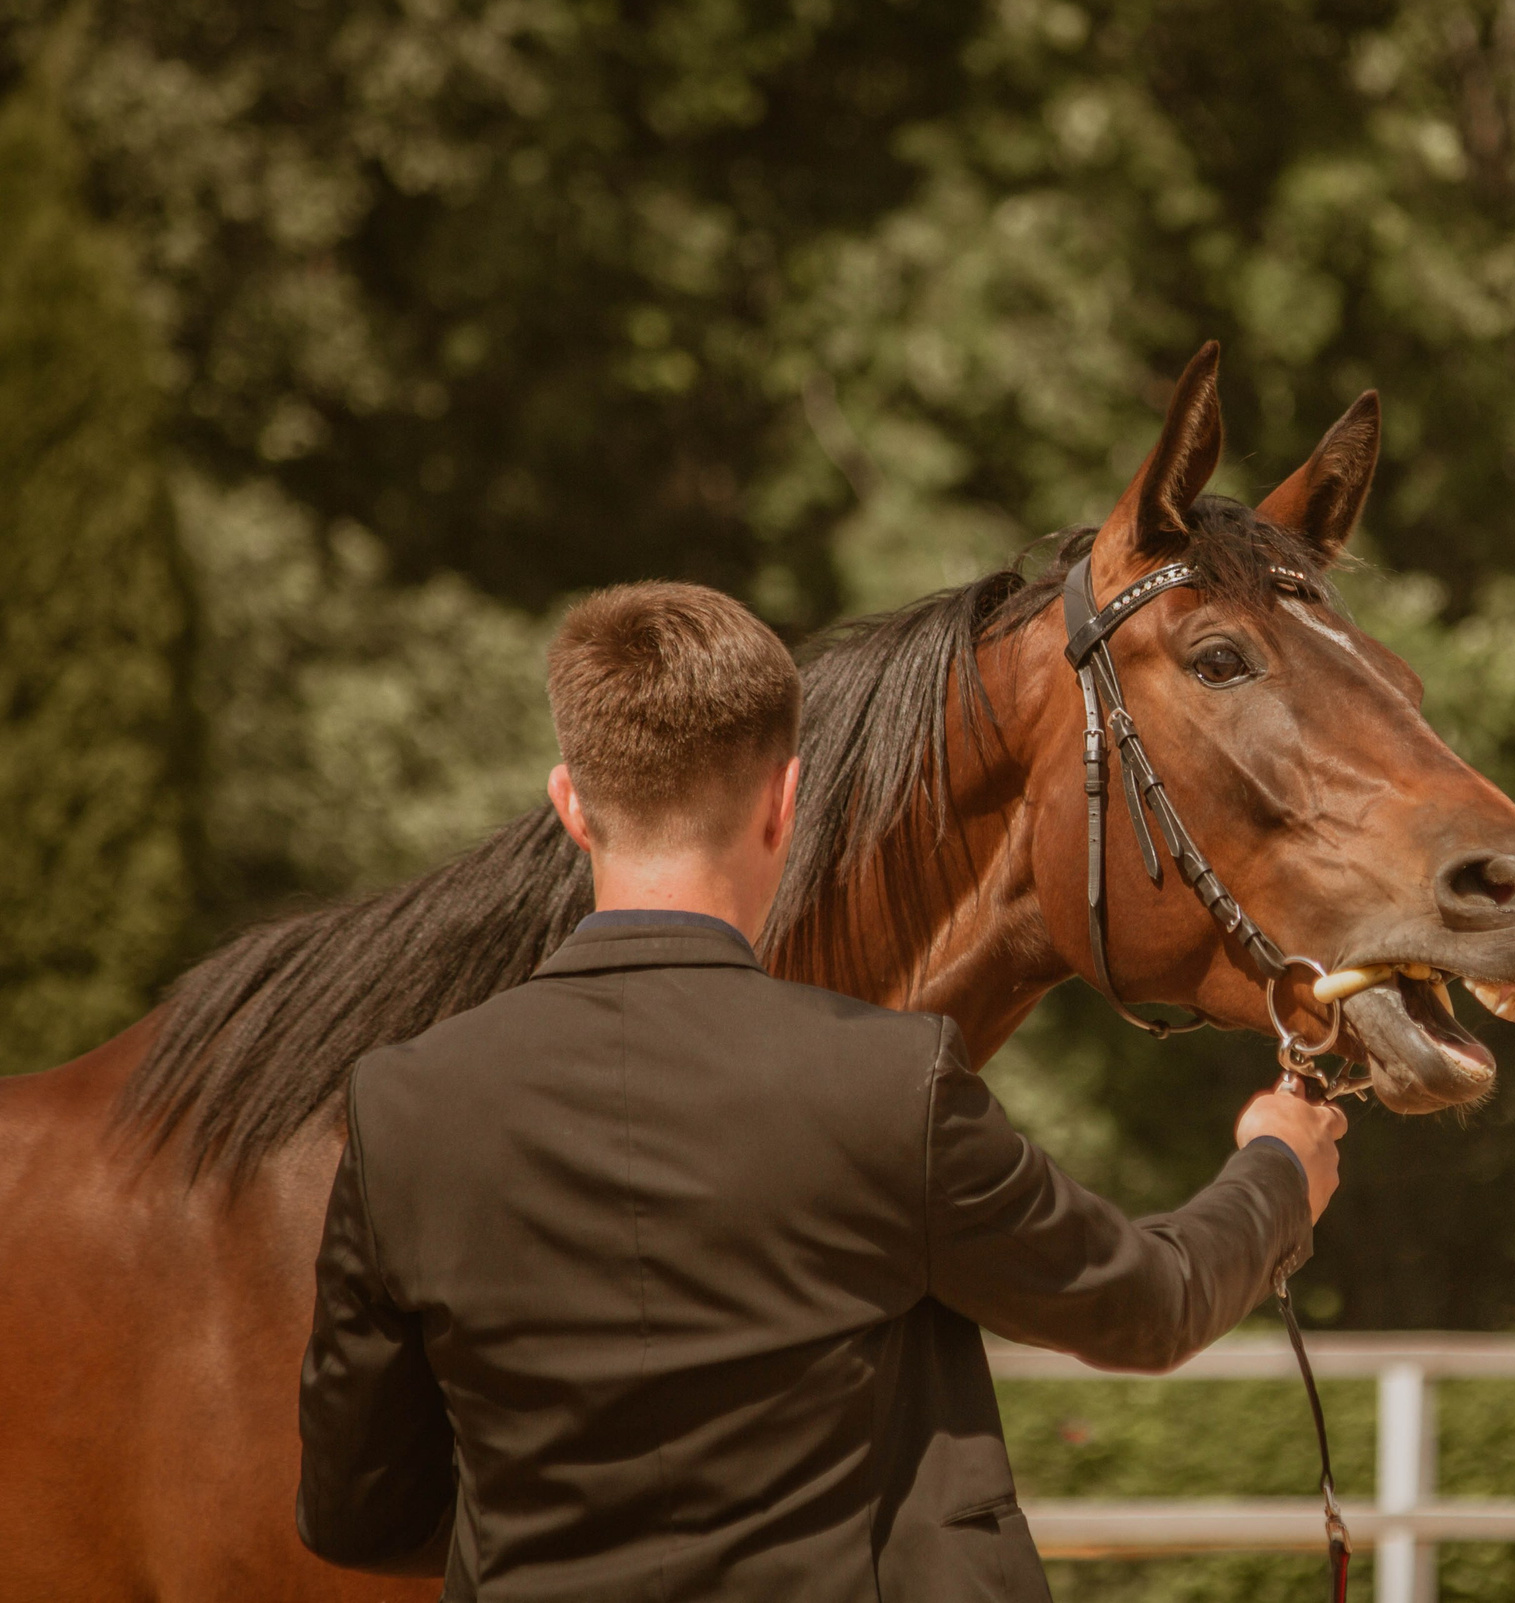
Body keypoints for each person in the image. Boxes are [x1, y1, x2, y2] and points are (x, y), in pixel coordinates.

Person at [295, 582, 1347, 1600]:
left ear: (571, 805)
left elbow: (356, 1514)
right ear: (785, 804)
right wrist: (1280, 1170)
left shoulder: (401, 1107)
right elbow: (1147, 1307)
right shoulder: (890, 1083)